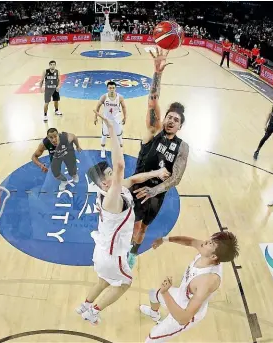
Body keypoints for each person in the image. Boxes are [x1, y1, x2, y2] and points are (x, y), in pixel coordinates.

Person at [76, 112, 170, 325]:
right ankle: (94, 311)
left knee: (103, 281)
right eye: (109, 174)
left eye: (111, 172)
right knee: (125, 283)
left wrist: (156, 173)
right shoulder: (110, 197)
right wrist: (111, 129)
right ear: (103, 183)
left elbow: (133, 179)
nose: (114, 175)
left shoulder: (112, 190)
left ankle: (85, 304)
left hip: (102, 251)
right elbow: (120, 166)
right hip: (112, 254)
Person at [127, 48, 190, 268]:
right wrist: (157, 73)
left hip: (156, 195)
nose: (171, 120)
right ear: (164, 119)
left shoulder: (182, 147)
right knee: (128, 224)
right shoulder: (153, 131)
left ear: (180, 126)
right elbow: (152, 101)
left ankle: (132, 252)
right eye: (169, 117)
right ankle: (118, 247)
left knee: (142, 227)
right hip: (136, 187)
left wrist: (154, 190)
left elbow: (177, 178)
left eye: (176, 120)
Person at [140, 231, 239, 342]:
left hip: (185, 314)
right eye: (210, 240)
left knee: (151, 339)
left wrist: (165, 292)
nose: (205, 241)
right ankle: (154, 315)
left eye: (210, 244)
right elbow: (190, 241)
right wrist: (164, 239)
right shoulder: (205, 250)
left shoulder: (207, 281)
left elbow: (183, 318)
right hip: (181, 295)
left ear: (213, 256)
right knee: (153, 294)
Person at [94, 81, 127, 159]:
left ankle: (120, 150)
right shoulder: (104, 97)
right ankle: (102, 150)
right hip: (106, 119)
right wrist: (95, 117)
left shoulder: (120, 97)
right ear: (107, 88)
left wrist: (125, 117)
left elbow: (124, 107)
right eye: (110, 88)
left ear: (115, 88)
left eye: (113, 88)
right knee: (104, 135)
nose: (111, 89)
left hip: (116, 119)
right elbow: (97, 107)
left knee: (119, 135)